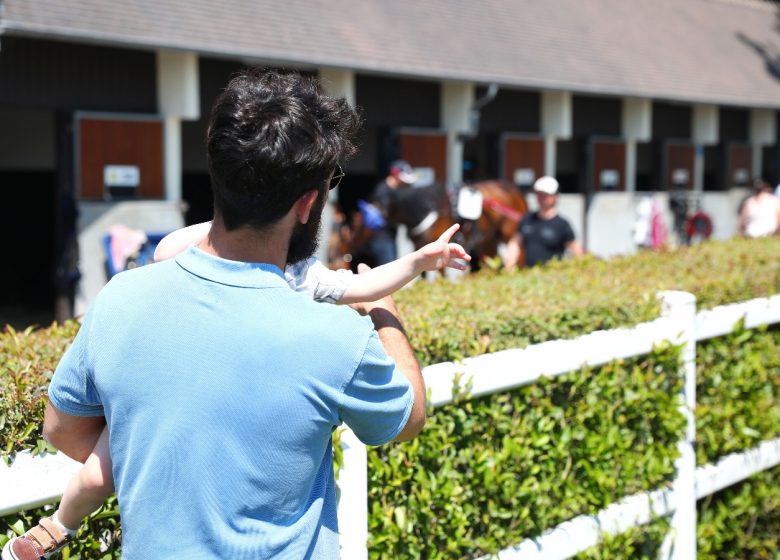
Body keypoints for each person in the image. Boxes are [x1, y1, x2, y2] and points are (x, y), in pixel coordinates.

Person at [4, 68, 429, 560]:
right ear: (308, 202)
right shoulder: (335, 337)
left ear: (220, 178)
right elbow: (407, 419)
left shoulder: (121, 299)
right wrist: (383, 312)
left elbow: (61, 429)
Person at [504, 176, 584, 269]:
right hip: (529, 275)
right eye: (539, 194)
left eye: (545, 195)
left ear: (555, 196)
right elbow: (515, 243)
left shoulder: (562, 224)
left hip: (552, 277)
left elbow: (576, 251)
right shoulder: (527, 220)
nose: (541, 198)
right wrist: (509, 265)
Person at [360, 160, 419, 266]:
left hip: (390, 237)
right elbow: (385, 215)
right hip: (381, 238)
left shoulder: (394, 191)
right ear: (395, 174)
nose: (406, 184)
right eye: (404, 180)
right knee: (386, 270)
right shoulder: (382, 191)